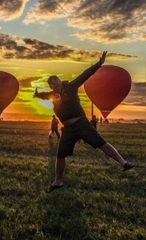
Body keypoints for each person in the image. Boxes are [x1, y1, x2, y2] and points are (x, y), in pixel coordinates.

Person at [34, 51, 134, 193]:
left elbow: (85, 75)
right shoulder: (52, 95)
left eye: (56, 81)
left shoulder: (71, 86)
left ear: (60, 81)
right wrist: (37, 94)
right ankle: (58, 181)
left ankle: (124, 163)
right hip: (68, 129)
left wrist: (99, 65)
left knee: (101, 143)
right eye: (52, 84)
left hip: (81, 124)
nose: (55, 84)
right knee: (60, 155)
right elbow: (44, 96)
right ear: (51, 87)